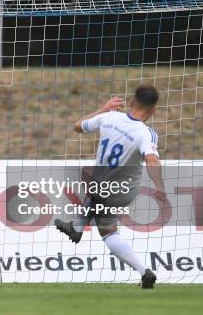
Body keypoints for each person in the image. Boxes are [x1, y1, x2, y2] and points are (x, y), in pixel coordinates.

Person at [54, 85, 166, 289]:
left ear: (131, 102)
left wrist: (103, 109)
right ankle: (144, 272)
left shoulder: (109, 118)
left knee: (94, 181)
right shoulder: (147, 134)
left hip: (104, 189)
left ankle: (77, 227)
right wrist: (159, 186)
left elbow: (78, 126)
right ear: (154, 110)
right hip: (125, 192)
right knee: (107, 226)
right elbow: (152, 159)